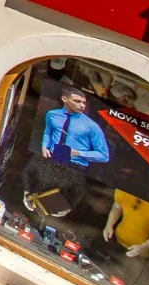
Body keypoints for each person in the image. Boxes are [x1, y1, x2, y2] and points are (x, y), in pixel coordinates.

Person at [22, 85, 111, 218]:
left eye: (83, 103)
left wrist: (78, 153)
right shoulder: (52, 116)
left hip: (70, 170)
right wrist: (26, 190)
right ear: (65, 99)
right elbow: (29, 169)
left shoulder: (93, 128)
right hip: (46, 167)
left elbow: (103, 156)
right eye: (77, 101)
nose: (80, 105)